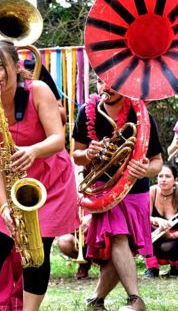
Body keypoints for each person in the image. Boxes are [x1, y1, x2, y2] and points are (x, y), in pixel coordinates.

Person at [0, 39, 79, 310]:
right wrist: (4, 206)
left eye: (0, 67)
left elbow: (57, 139)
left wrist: (32, 151)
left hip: (50, 182)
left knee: (36, 254)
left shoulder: (38, 90)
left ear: (16, 67)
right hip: (9, 185)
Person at [72, 79, 163, 311]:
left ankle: (96, 299)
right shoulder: (86, 112)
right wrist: (88, 153)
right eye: (101, 82)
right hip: (104, 189)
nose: (106, 87)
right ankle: (135, 299)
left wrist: (145, 169)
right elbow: (76, 155)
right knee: (118, 238)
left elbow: (157, 163)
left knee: (123, 250)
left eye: (111, 82)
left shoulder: (141, 115)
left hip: (136, 191)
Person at [144, 164, 178, 278]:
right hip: (157, 234)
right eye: (160, 176)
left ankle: (176, 266)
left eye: (167, 176)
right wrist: (157, 220)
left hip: (175, 237)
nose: (163, 179)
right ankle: (152, 268)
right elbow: (144, 216)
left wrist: (172, 236)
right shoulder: (152, 191)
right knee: (144, 227)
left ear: (175, 180)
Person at [57, 210, 92, 279]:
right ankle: (85, 262)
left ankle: (107, 264)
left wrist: (92, 217)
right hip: (80, 235)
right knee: (64, 241)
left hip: (99, 228)